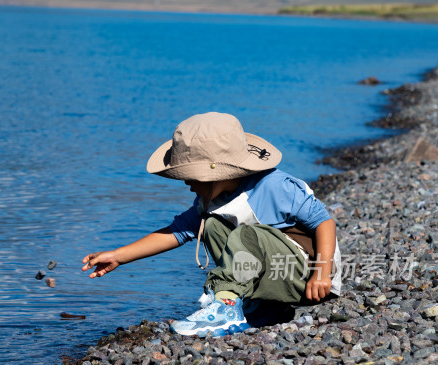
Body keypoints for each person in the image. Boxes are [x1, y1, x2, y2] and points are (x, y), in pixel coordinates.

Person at [81, 112, 341, 337]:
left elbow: (324, 222)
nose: (185, 183)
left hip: (307, 276)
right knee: (213, 226)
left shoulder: (274, 186)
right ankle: (261, 307)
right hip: (277, 280)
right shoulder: (212, 201)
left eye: (189, 176)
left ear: (216, 172)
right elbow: (177, 232)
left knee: (247, 235)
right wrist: (119, 256)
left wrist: (322, 274)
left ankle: (226, 304)